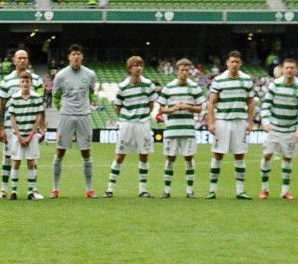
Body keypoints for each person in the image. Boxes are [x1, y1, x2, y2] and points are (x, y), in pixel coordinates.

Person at [48, 44, 98, 198]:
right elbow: (56, 96)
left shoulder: (90, 74)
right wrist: (63, 109)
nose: (76, 57)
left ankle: (89, 189)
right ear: (69, 57)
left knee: (86, 152)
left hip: (84, 116)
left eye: (78, 54)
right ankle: (55, 189)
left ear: (82, 56)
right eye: (73, 54)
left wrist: (89, 105)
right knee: (60, 151)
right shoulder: (61, 75)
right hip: (67, 116)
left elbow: (91, 93)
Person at [204, 50, 254, 200]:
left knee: (240, 155)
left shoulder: (247, 80)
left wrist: (250, 122)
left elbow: (251, 102)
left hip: (239, 121)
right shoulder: (219, 80)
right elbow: (211, 102)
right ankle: (212, 190)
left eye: (237, 62)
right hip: (223, 122)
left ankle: (240, 191)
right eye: (232, 61)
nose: (234, 64)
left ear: (241, 63)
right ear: (227, 63)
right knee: (218, 154)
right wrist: (211, 122)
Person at [108, 56, 157, 198]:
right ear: (130, 68)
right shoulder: (122, 86)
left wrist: (143, 116)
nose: (139, 67)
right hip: (127, 124)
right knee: (120, 155)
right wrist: (126, 118)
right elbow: (118, 106)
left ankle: (143, 189)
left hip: (143, 123)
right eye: (135, 65)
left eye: (140, 65)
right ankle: (110, 189)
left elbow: (151, 104)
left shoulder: (149, 85)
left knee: (144, 155)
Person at [258, 57, 298, 200]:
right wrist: (265, 122)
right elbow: (266, 105)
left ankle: (285, 191)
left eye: (292, 68)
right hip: (274, 129)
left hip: (290, 130)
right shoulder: (274, 85)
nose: (289, 70)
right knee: (267, 156)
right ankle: (264, 189)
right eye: (287, 67)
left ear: (296, 70)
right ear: (283, 69)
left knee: (288, 159)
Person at [157, 58, 202, 199]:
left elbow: (200, 108)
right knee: (170, 158)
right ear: (177, 70)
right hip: (172, 129)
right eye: (182, 70)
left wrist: (188, 107)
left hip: (188, 129)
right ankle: (167, 190)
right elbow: (161, 109)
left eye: (187, 70)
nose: (184, 72)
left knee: (189, 158)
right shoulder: (168, 87)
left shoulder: (195, 87)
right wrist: (173, 108)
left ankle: (189, 190)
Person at [2, 67, 46, 201]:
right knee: (16, 162)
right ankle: (14, 191)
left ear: (31, 83)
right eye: (23, 81)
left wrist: (31, 134)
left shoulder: (37, 98)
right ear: (19, 83)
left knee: (31, 162)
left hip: (31, 135)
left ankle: (30, 191)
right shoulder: (14, 98)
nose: (25, 83)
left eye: (27, 81)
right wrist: (20, 135)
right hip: (17, 136)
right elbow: (12, 118)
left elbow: (39, 116)